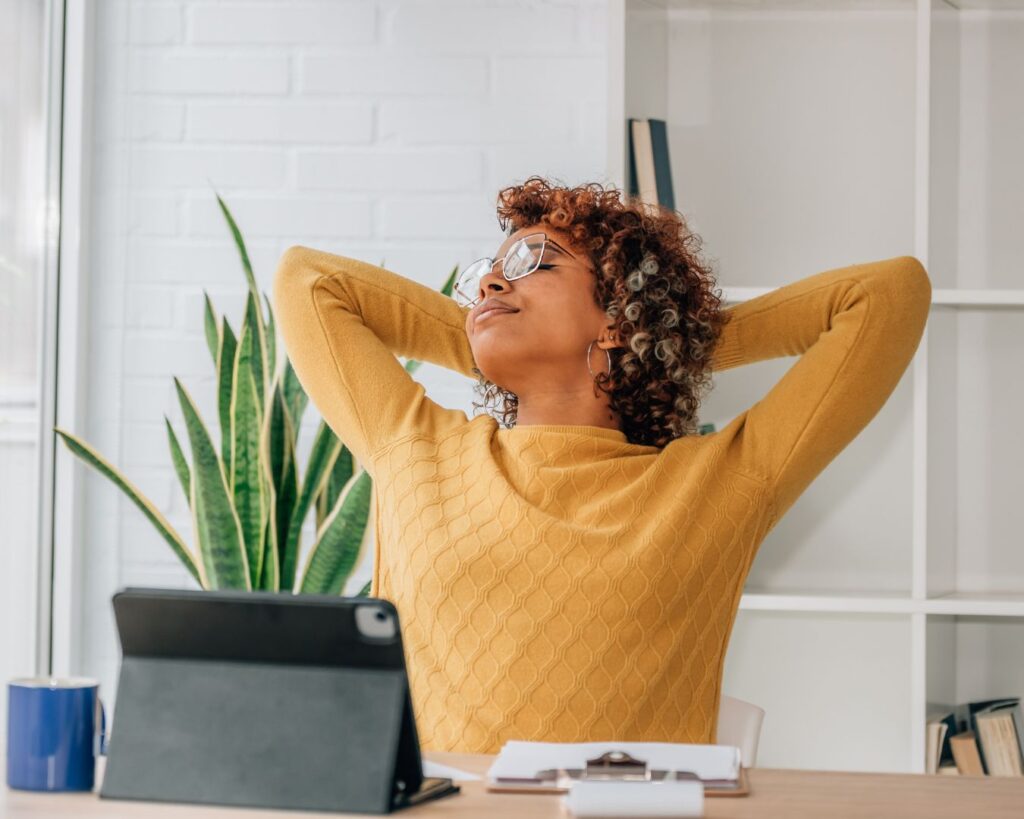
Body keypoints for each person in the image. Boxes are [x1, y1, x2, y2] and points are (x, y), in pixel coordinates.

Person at [272, 175, 932, 756]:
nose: (491, 281)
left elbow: (889, 295)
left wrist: (668, 338)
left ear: (617, 315)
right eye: (488, 272)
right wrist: (487, 324)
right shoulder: (416, 448)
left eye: (537, 262)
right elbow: (306, 280)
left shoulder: (716, 484)